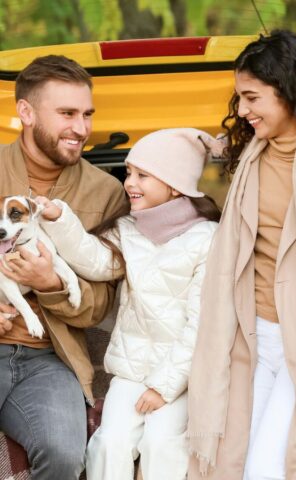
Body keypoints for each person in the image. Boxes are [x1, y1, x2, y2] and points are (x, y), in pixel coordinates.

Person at [187, 30, 296, 480]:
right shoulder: (251, 156)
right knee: (230, 465)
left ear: (289, 92)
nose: (241, 110)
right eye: (238, 98)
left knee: (269, 468)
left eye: (251, 97)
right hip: (251, 338)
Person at [36, 127, 220, 480]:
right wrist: (61, 220)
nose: (128, 182)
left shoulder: (207, 239)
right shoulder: (127, 229)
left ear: (174, 185)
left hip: (181, 376)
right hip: (130, 370)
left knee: (162, 445)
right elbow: (95, 261)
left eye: (142, 175)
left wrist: (164, 386)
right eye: (129, 172)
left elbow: (202, 324)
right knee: (108, 444)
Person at [0, 55, 126, 479]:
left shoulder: (106, 192)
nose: (82, 128)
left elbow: (103, 305)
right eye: (67, 113)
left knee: (65, 454)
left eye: (87, 114)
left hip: (51, 359)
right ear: (26, 112)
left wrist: (51, 283)